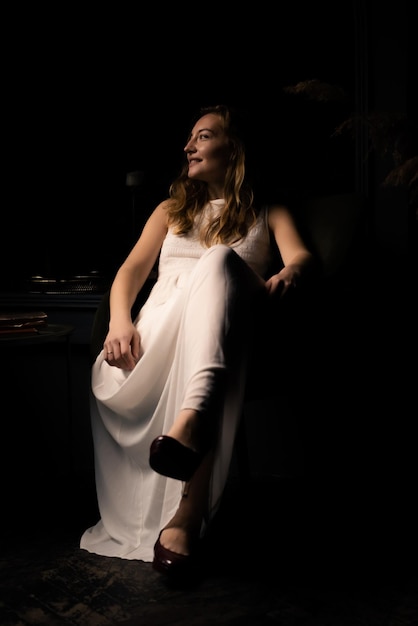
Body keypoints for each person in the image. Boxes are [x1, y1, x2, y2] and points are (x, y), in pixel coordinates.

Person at [80, 104, 316, 576]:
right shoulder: (170, 210)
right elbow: (130, 271)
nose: (189, 146)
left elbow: (303, 257)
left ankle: (187, 498)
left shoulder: (269, 208)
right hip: (165, 330)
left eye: (203, 136)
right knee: (208, 292)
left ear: (235, 148)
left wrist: (293, 271)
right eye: (189, 138)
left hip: (237, 323)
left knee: (217, 261)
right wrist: (119, 322)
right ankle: (191, 442)